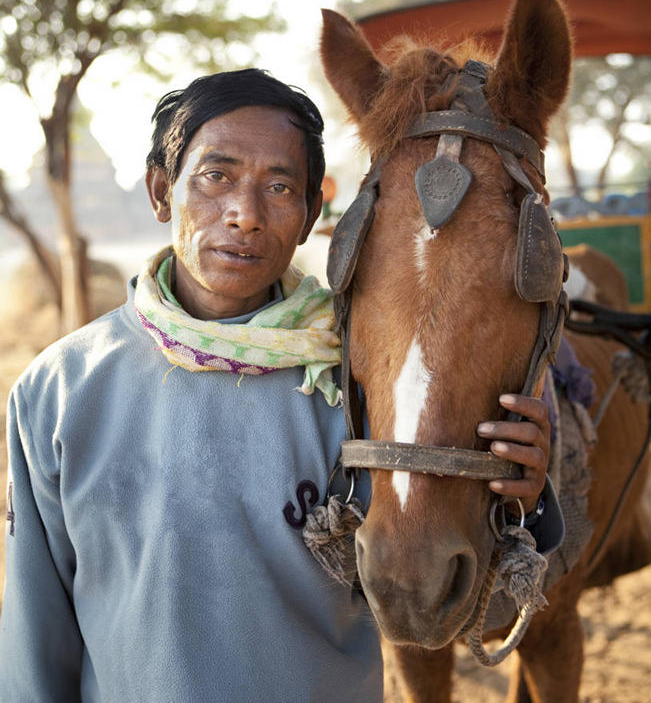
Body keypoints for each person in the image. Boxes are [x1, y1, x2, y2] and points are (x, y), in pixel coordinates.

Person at [0, 69, 561, 702]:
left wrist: (521, 503)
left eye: (279, 186)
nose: (245, 215)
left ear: (310, 214)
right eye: (216, 177)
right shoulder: (59, 392)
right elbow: (34, 637)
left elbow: (433, 594)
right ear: (162, 192)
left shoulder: (355, 388)